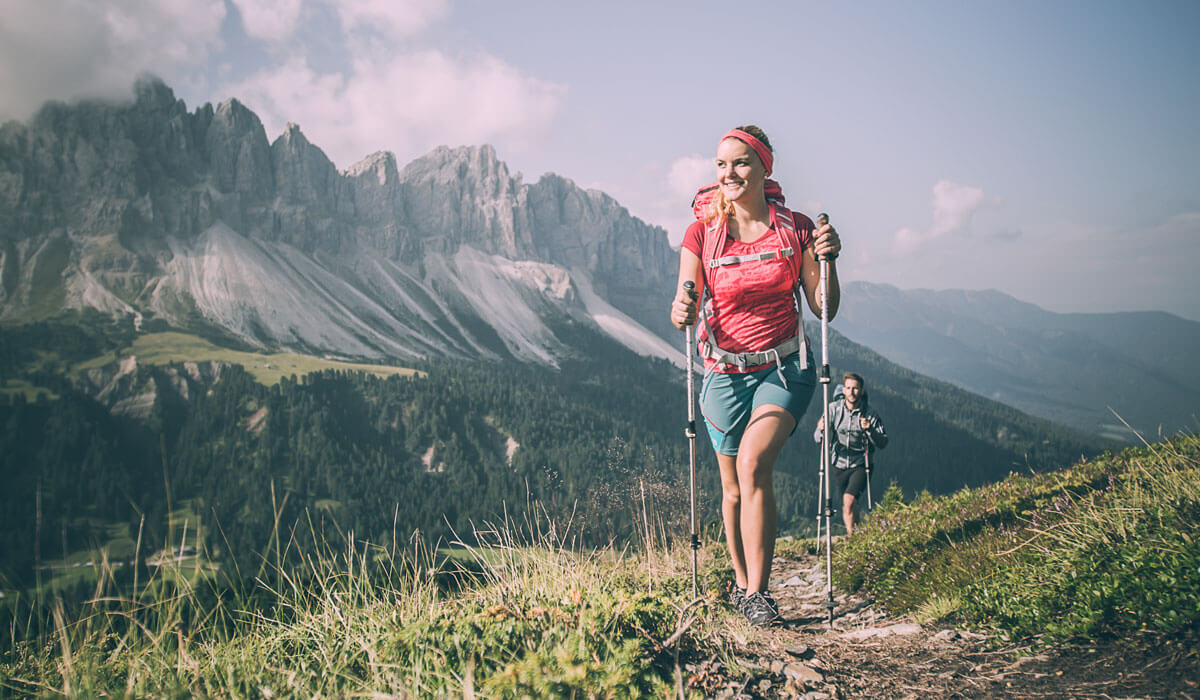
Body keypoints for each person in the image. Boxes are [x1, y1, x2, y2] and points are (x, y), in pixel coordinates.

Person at [670, 125, 841, 625]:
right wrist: (681, 307)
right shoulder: (702, 232)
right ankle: (743, 586)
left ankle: (761, 593)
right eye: (722, 165)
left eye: (741, 163)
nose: (729, 173)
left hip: (785, 367)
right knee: (731, 489)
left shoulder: (797, 229)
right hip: (723, 371)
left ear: (765, 168)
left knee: (753, 465)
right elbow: (686, 299)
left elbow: (823, 306)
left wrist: (829, 260)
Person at [814, 372, 888, 535]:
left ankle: (851, 538)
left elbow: (882, 442)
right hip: (838, 463)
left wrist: (870, 430)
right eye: (848, 388)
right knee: (847, 504)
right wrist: (821, 430)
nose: (852, 392)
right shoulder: (833, 409)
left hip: (861, 463)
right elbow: (818, 438)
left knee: (848, 500)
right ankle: (857, 534)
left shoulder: (870, 414)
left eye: (855, 388)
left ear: (861, 391)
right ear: (844, 390)